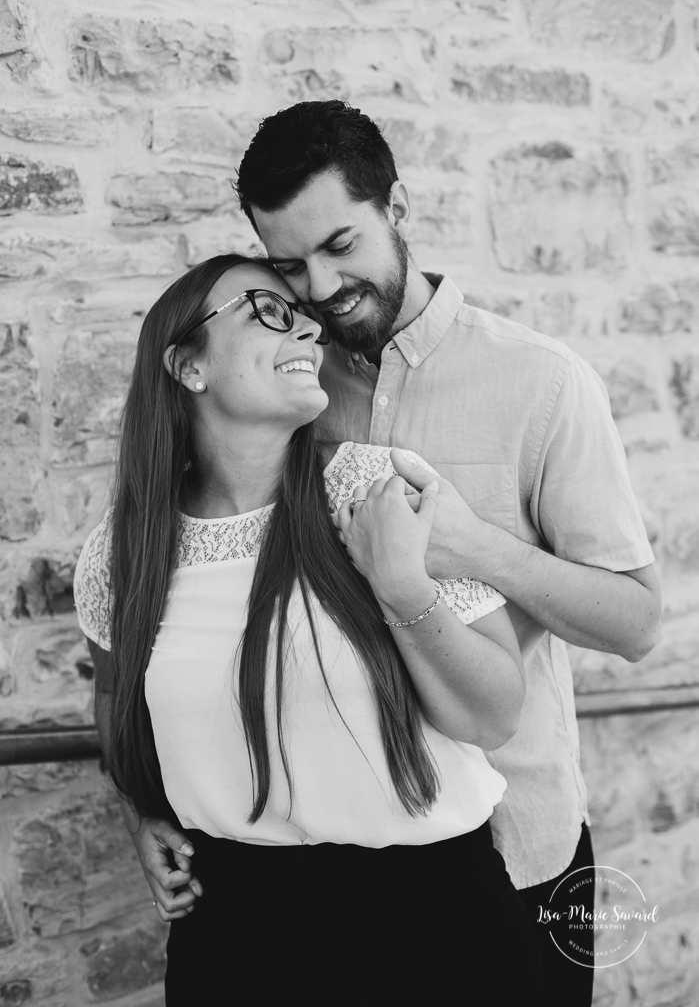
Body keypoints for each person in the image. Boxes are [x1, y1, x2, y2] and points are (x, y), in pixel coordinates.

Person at [127, 102, 661, 1004]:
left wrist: (475, 547)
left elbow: (637, 622)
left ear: (397, 208)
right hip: (320, 883)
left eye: (342, 245)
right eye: (291, 266)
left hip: (518, 848)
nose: (322, 288)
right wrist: (146, 803)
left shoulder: (541, 381)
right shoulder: (286, 376)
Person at [74, 253, 544, 1003]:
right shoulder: (122, 550)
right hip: (235, 934)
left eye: (302, 315)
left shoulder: (374, 484)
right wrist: (142, 813)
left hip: (436, 925)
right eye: (267, 308)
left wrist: (399, 585)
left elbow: (491, 713)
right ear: (187, 366)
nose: (303, 324)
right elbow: (118, 703)